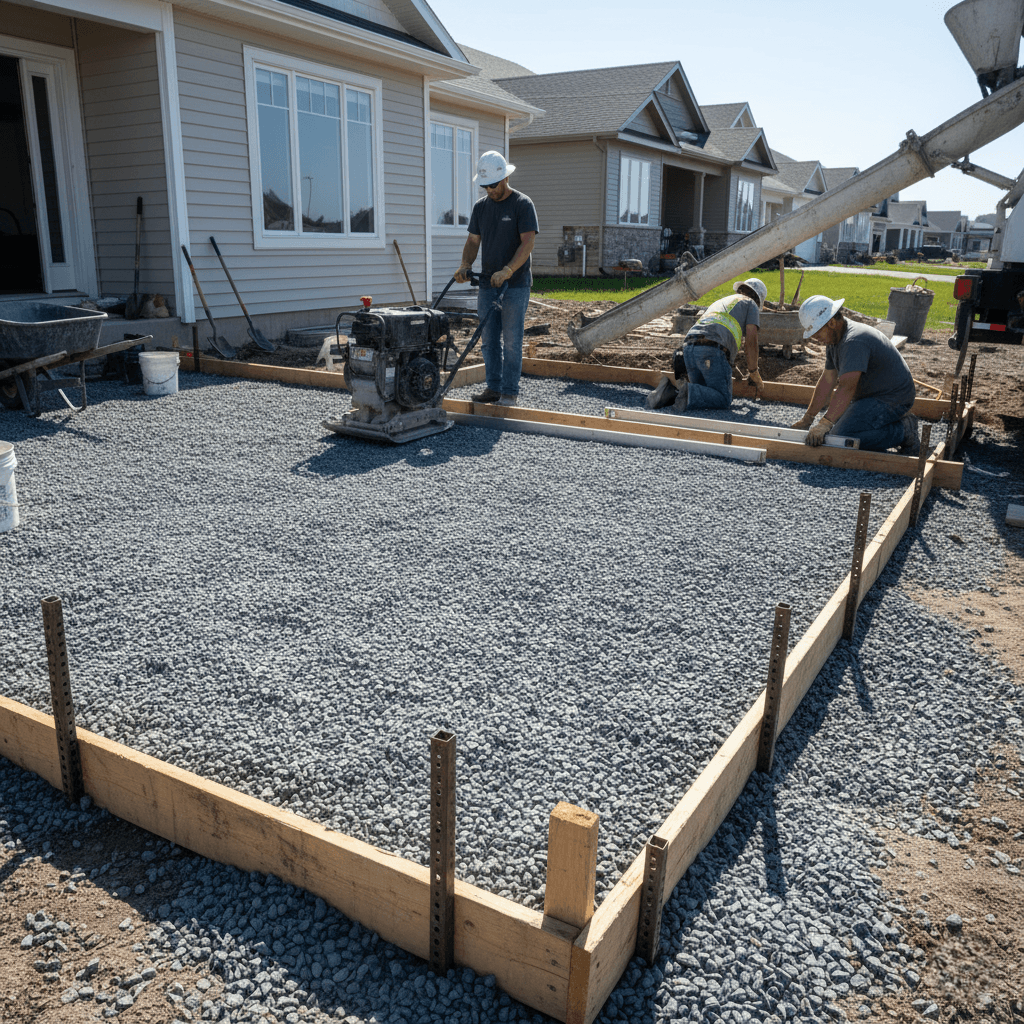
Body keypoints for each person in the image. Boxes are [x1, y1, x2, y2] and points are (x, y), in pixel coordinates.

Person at [454, 151, 538, 407]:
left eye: (492, 185)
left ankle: (510, 393)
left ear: (504, 178)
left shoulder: (522, 204)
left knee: (512, 342)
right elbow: (472, 241)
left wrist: (509, 270)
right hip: (488, 284)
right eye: (484, 186)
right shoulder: (481, 207)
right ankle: (493, 388)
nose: (489, 190)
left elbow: (528, 242)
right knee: (489, 340)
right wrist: (465, 264)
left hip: (515, 285)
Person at [792, 295, 919, 453]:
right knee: (835, 430)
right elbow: (827, 380)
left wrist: (825, 423)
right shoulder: (834, 339)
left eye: (817, 334)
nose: (817, 339)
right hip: (871, 397)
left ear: (831, 323)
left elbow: (846, 387)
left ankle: (904, 431)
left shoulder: (854, 341)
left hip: (892, 398)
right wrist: (808, 418)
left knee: (841, 437)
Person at [646, 278, 766, 412]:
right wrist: (753, 371)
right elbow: (752, 341)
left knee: (703, 394)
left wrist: (732, 369)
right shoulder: (751, 304)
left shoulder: (722, 302)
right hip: (712, 350)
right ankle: (685, 391)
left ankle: (671, 392)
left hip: (689, 348)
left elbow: (714, 332)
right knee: (723, 398)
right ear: (757, 298)